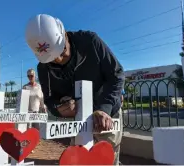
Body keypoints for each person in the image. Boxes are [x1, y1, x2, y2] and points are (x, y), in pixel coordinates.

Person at [25, 14, 125, 165]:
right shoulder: (43, 68)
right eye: (52, 61)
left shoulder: (90, 42)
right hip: (79, 122)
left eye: (62, 52)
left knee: (107, 159)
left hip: (107, 112)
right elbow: (51, 101)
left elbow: (116, 74)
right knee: (78, 159)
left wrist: (104, 108)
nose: (59, 60)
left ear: (64, 34)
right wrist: (60, 109)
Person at [23, 69, 46, 154]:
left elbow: (41, 98)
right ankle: (29, 146)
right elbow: (23, 100)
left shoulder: (39, 87)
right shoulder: (25, 87)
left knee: (36, 130)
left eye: (31, 75)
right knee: (28, 130)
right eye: (28, 76)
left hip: (36, 113)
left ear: (35, 76)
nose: (30, 77)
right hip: (28, 112)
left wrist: (43, 107)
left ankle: (33, 144)